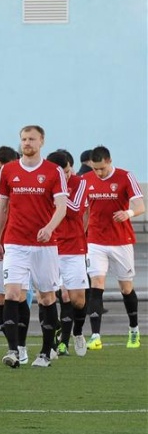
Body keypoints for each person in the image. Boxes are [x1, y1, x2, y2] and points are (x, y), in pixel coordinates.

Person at [0, 125, 68, 369]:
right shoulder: (9, 170)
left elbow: (61, 206)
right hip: (15, 242)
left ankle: (46, 351)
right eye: (24, 139)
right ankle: (13, 350)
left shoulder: (54, 171)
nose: (27, 143)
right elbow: (2, 207)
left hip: (44, 245)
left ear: (42, 141)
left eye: (32, 139)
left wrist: (49, 228)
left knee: (46, 297)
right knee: (12, 294)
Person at [82, 146, 144, 350]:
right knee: (96, 283)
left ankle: (134, 329)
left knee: (126, 287)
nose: (99, 173)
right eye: (95, 169)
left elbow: (140, 206)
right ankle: (95, 336)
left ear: (109, 161)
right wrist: (81, 234)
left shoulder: (125, 177)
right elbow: (85, 212)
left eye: (102, 168)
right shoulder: (86, 180)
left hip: (121, 241)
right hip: (95, 241)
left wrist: (128, 213)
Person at [0, 146, 27, 360]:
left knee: (18, 294)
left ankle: (20, 345)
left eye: (6, 166)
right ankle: (7, 332)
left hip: (19, 244)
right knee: (1, 295)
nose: (2, 171)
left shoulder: (21, 182)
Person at [44, 150, 89, 357]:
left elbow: (76, 210)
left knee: (78, 300)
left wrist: (57, 196)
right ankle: (56, 343)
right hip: (50, 247)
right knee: (54, 296)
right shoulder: (43, 184)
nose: (67, 176)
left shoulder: (80, 183)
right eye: (62, 174)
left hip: (73, 247)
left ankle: (77, 332)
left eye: (68, 171)